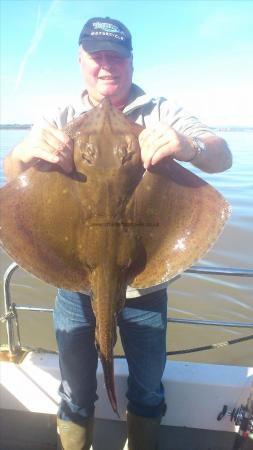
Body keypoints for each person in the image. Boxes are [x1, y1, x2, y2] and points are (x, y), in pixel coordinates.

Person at [4, 17, 232, 450]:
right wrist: (24, 150)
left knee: (147, 389)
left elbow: (222, 156)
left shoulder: (161, 111)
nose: (106, 65)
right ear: (80, 61)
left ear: (131, 61)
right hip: (74, 285)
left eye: (116, 56)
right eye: (96, 57)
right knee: (74, 392)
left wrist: (189, 146)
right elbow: (14, 181)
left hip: (146, 280)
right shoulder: (60, 117)